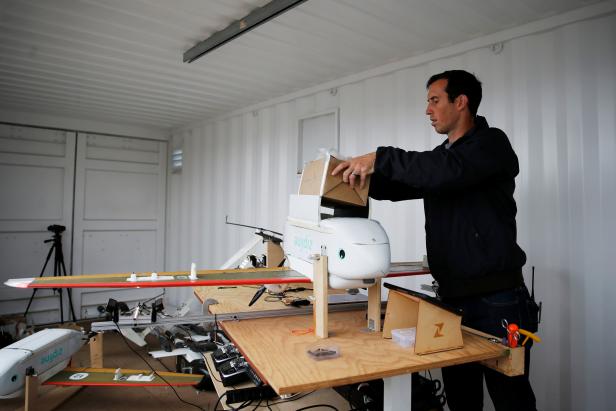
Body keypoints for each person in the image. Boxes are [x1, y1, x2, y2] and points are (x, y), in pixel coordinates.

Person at [332, 70, 539, 410]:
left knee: (511, 399)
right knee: (461, 399)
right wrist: (363, 178)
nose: (428, 110)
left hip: (497, 301)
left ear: (461, 102)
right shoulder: (444, 158)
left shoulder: (490, 145)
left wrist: (379, 158)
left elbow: (442, 169)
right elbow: (411, 182)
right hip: (454, 300)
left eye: (434, 100)